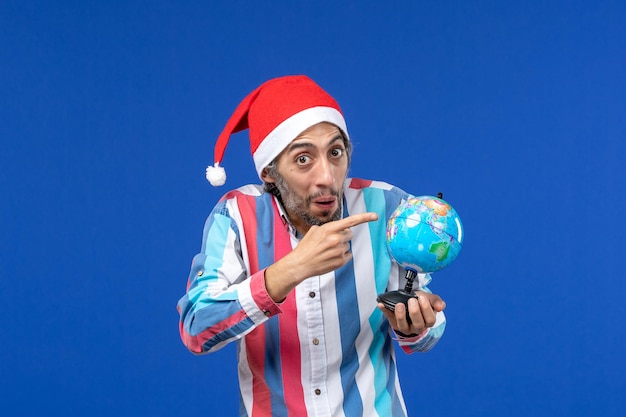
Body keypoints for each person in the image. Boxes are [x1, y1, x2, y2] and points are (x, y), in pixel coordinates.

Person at [177, 75, 447, 417]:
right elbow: (196, 329)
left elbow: (428, 328)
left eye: (335, 153)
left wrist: (418, 325)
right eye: (303, 159)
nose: (327, 177)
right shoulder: (237, 215)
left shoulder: (390, 209)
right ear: (270, 173)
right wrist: (291, 269)